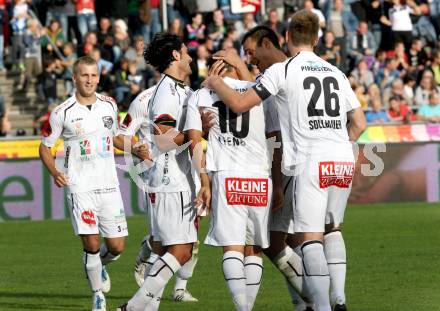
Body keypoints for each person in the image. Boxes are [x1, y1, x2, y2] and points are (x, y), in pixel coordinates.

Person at [203, 10, 366, 311]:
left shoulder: (284, 70)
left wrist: (215, 81)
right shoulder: (336, 72)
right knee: (331, 227)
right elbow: (359, 123)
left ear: (286, 37)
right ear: (317, 38)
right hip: (342, 156)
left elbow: (240, 103)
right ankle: (336, 298)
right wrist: (338, 143)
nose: (250, 59)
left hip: (306, 161)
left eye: (251, 53)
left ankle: (319, 305)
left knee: (307, 239)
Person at [216, 26, 312, 311]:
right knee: (293, 240)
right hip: (307, 161)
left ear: (266, 43)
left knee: (270, 242)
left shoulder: (275, 76)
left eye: (250, 51)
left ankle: (316, 298)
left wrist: (278, 181)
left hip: (288, 165)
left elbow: (273, 136)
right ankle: (306, 303)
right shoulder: (299, 68)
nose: (250, 58)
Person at [117, 32, 209, 311]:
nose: (191, 57)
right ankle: (131, 308)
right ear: (176, 56)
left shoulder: (181, 91)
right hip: (170, 180)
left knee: (165, 250)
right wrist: (197, 131)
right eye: (186, 51)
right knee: (180, 251)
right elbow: (163, 139)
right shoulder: (166, 93)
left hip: (177, 180)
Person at [39, 56, 129, 311]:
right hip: (80, 187)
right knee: (90, 243)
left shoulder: (110, 105)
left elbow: (117, 138)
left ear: (98, 77)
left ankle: (98, 264)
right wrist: (55, 171)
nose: (89, 80)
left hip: (109, 185)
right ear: (75, 78)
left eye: (93, 75)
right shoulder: (61, 112)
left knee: (117, 247)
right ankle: (98, 296)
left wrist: (137, 149)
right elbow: (45, 148)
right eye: (84, 75)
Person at [185, 56, 275, 311]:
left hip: (227, 175)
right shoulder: (257, 89)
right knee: (253, 248)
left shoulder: (201, 95)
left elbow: (194, 142)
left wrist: (204, 181)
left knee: (232, 249)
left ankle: (242, 308)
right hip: (259, 175)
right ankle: (248, 307)